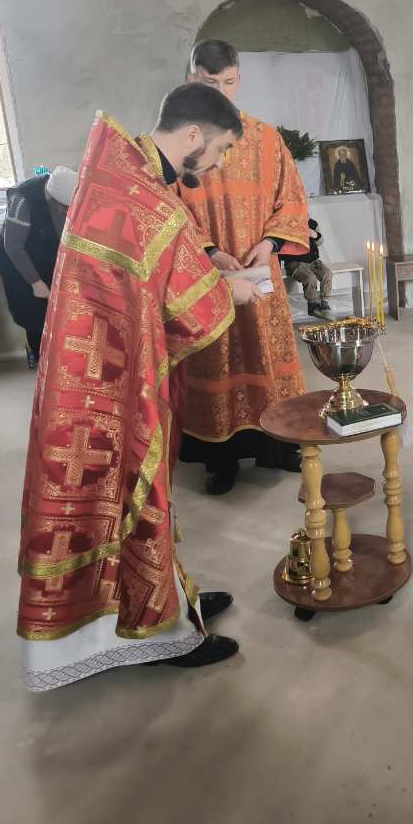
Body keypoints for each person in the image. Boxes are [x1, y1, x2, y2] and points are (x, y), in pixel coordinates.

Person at [17, 84, 259, 691]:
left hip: (98, 369)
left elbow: (152, 271)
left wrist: (207, 265)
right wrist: (230, 291)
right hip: (104, 383)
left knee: (135, 495)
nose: (220, 163)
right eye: (221, 149)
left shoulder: (123, 173)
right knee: (124, 494)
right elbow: (186, 301)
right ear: (194, 135)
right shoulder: (140, 193)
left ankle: (168, 591)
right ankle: (151, 632)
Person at [178, 39, 310, 496]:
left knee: (266, 355)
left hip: (259, 270)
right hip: (206, 274)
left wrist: (270, 243)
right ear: (191, 77)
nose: (220, 91)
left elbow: (291, 199)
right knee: (217, 358)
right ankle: (221, 458)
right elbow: (168, 211)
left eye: (228, 82)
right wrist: (209, 250)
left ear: (239, 79)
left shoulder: (267, 139)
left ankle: (278, 447)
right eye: (208, 82)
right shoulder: (179, 143)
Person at [0, 166, 78, 367]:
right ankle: (37, 355)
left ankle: (56, 356)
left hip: (40, 252)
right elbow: (13, 246)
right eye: (63, 208)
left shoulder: (66, 185)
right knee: (33, 314)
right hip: (14, 262)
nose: (66, 211)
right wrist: (35, 282)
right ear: (51, 198)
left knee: (56, 311)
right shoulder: (22, 198)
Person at [283, 217, 334, 320]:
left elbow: (320, 242)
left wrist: (315, 235)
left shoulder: (312, 223)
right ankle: (312, 305)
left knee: (327, 273)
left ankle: (324, 303)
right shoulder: (286, 222)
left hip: (313, 260)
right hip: (295, 261)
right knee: (310, 278)